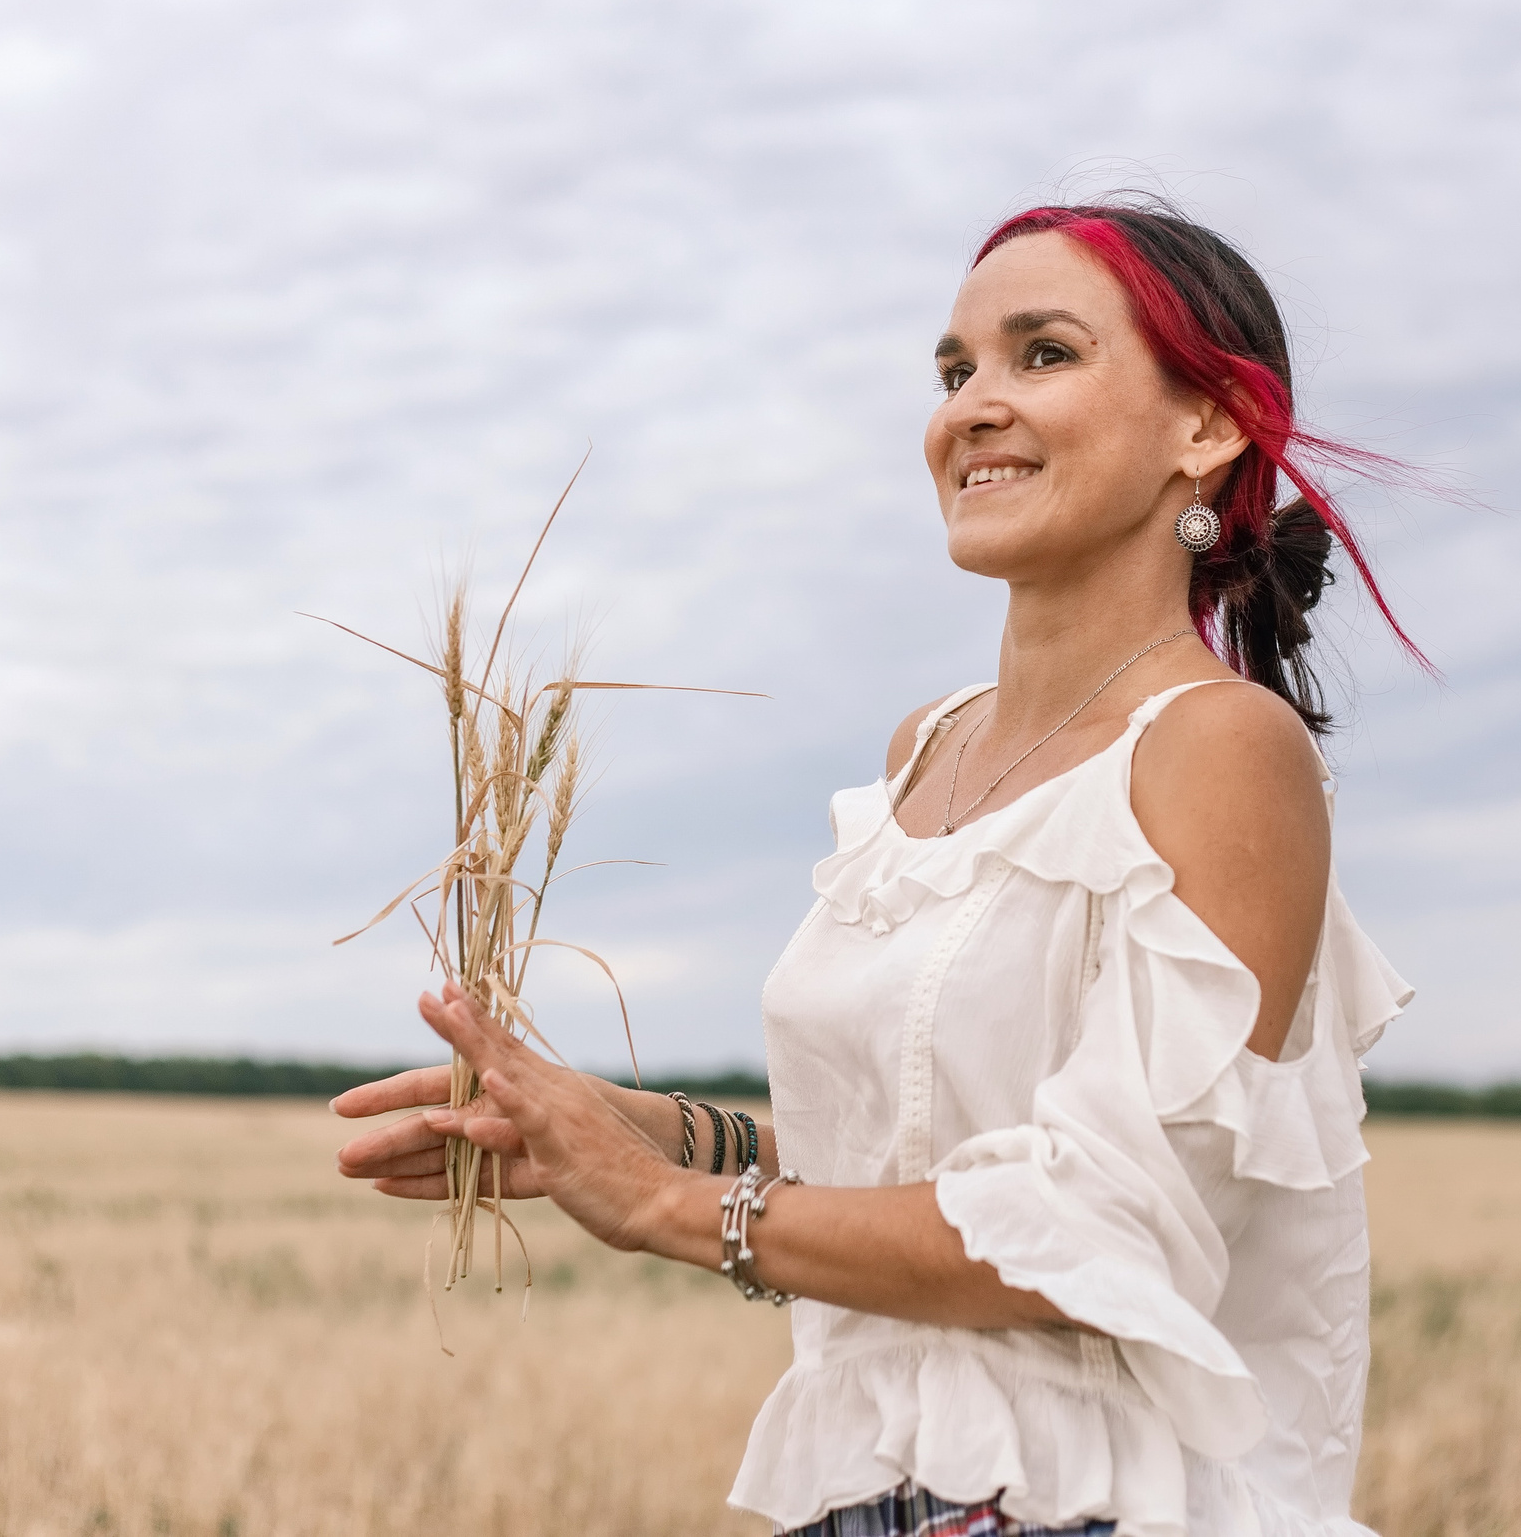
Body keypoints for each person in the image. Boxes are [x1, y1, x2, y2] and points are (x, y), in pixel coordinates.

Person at [333, 200, 1420, 1537]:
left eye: (1045, 354)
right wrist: (608, 1133)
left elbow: (1093, 1223)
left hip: (1094, 1510)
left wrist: (670, 1207)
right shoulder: (929, 748)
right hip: (865, 1501)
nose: (972, 407)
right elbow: (927, 1159)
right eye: (957, 370)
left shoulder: (1219, 746)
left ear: (1205, 428)